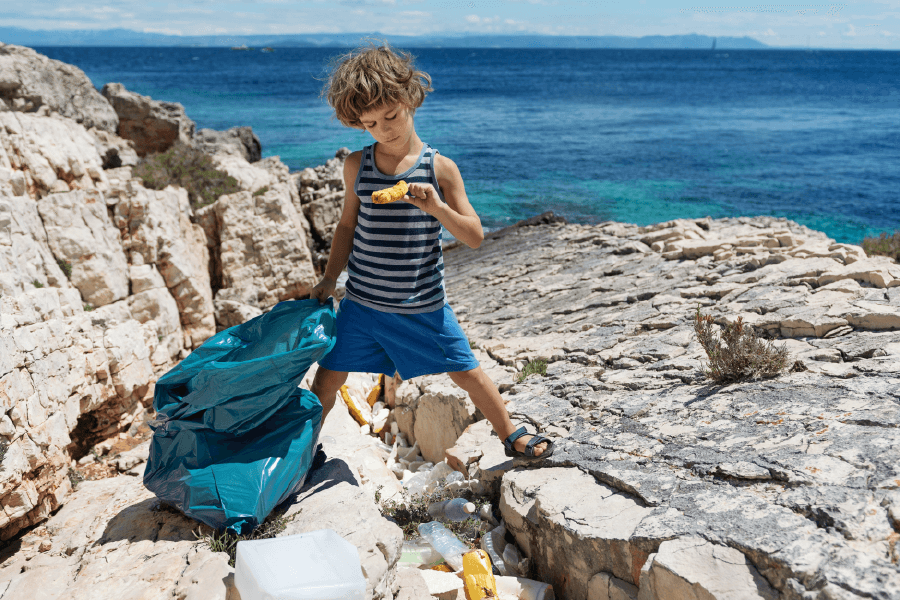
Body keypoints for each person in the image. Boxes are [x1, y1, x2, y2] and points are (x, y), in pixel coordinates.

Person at [308, 43, 552, 459]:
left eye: (392, 115)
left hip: (422, 306)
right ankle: (302, 450)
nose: (385, 129)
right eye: (371, 123)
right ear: (358, 124)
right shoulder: (357, 165)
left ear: (411, 100)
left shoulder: (440, 168)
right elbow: (347, 226)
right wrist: (330, 279)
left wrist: (436, 207)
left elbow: (474, 236)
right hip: (362, 304)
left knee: (467, 372)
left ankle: (511, 434)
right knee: (327, 380)